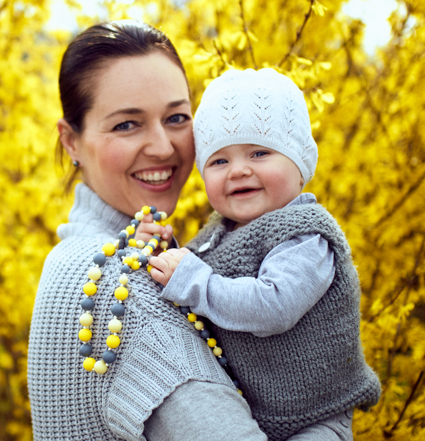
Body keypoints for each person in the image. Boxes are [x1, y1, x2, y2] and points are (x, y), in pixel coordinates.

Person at [27, 20, 267, 441]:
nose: (163, 147)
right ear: (71, 141)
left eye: (177, 117)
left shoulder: (84, 257)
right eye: (127, 124)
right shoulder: (119, 282)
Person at [146, 68, 381, 441]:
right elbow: (193, 286)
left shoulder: (304, 235)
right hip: (249, 412)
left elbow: (273, 307)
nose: (239, 170)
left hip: (316, 418)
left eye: (259, 152)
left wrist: (191, 278)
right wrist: (164, 254)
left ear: (300, 166)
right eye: (219, 161)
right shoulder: (216, 233)